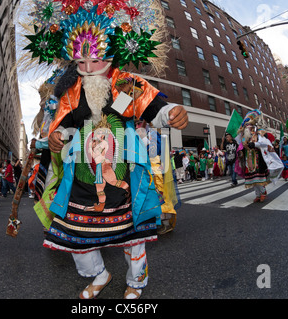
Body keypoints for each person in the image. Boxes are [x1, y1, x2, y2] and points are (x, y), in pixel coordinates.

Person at [23, 1, 188, 300]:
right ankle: (99, 274)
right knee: (74, 236)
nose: (87, 69)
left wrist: (173, 112)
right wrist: (58, 136)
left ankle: (136, 283)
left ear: (111, 52)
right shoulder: (71, 92)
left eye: (95, 60)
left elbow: (154, 107)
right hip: (82, 176)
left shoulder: (128, 84)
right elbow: (60, 125)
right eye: (80, 62)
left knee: (134, 236)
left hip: (125, 170)